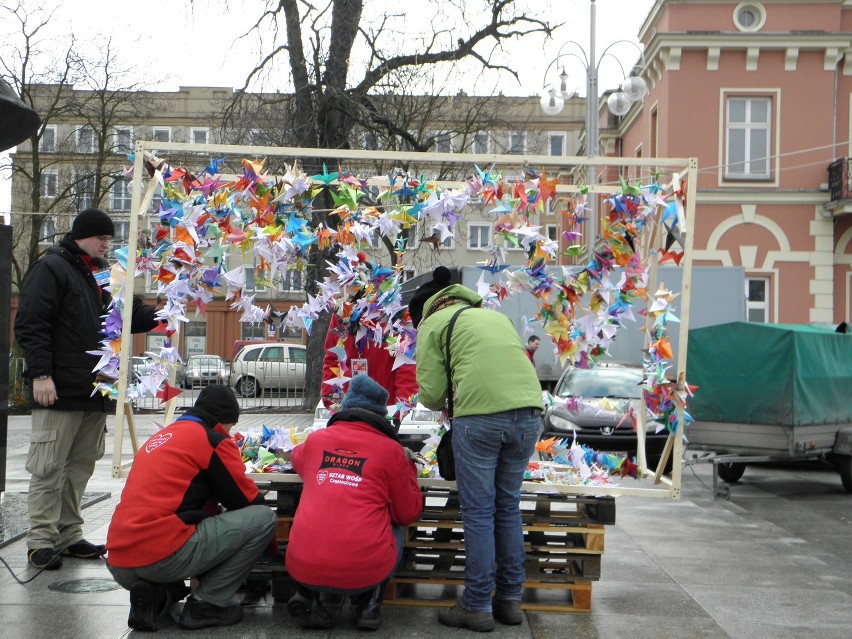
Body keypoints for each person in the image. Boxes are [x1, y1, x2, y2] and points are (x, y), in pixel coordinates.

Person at [14, 208, 160, 570]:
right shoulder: (51, 269)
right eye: (103, 238)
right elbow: (32, 324)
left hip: (95, 389)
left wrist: (166, 310)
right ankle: (41, 540)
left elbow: (128, 315)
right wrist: (40, 374)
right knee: (49, 467)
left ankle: (68, 535)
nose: (107, 244)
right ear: (83, 236)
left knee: (79, 468)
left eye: (110, 239)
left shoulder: (103, 275)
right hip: (58, 387)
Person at [409, 266, 543, 632]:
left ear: (424, 310)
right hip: (530, 413)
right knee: (507, 506)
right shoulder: (493, 316)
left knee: (480, 512)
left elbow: (433, 394)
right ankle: (510, 600)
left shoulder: (432, 325)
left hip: (481, 420)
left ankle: (477, 604)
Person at [105, 384, 276, 631]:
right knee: (263, 519)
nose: (230, 433)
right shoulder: (212, 439)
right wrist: (273, 552)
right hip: (161, 555)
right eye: (231, 426)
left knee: (191, 522)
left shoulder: (163, 436)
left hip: (119, 561)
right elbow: (244, 501)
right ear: (223, 421)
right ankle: (206, 604)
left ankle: (158, 595)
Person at [285, 374, 423, 631]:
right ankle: (369, 604)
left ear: (346, 406)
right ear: (381, 414)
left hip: (301, 565)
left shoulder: (317, 440)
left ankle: (308, 595)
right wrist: (409, 468)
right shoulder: (391, 451)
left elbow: (297, 459)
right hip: (363, 572)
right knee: (392, 523)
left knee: (320, 506)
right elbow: (407, 513)